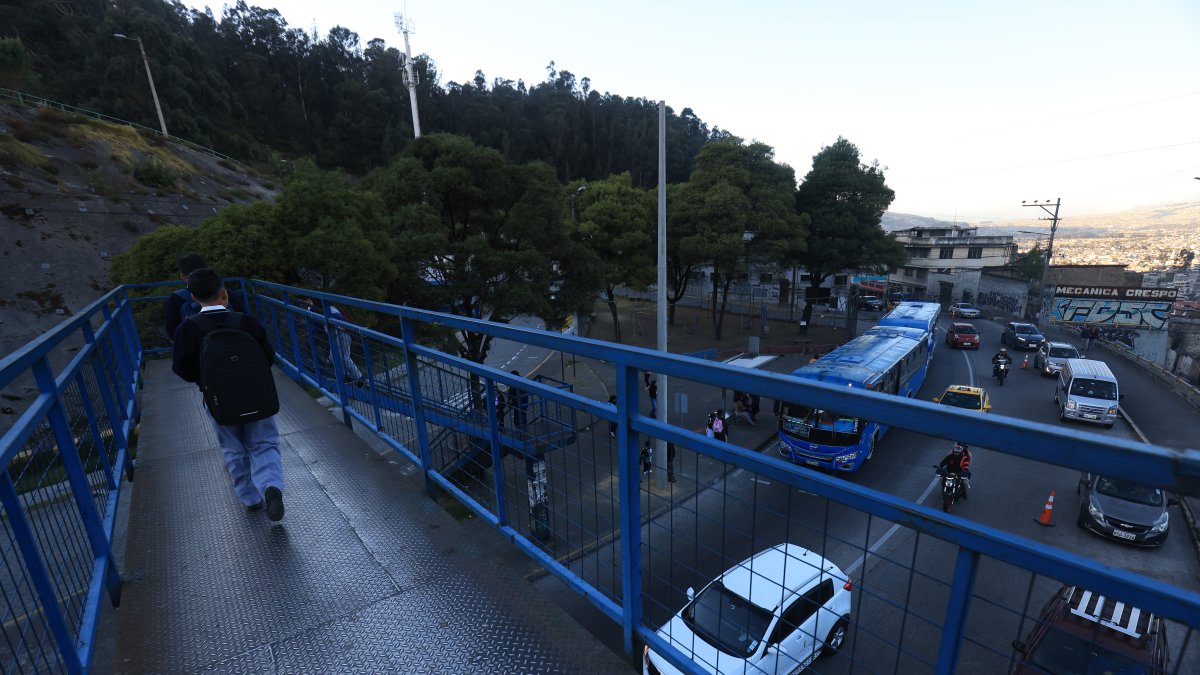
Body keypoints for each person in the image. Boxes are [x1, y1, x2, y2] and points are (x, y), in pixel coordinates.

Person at [171, 268, 285, 521]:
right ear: (224, 294)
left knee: (233, 447)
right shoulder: (246, 322)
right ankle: (270, 486)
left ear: (193, 298)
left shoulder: (188, 329)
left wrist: (204, 381)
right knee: (264, 443)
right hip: (257, 395)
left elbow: (181, 368)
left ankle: (250, 498)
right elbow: (268, 355)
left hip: (218, 401)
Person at [164, 253, 244, 342]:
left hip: (198, 352)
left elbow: (172, 333)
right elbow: (244, 321)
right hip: (234, 348)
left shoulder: (175, 299)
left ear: (182, 277)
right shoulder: (227, 294)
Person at [327, 303, 364, 385]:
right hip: (337, 336)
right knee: (333, 357)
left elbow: (340, 320)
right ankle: (345, 376)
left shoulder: (330, 309)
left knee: (345, 358)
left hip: (343, 335)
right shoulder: (328, 309)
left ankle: (360, 378)